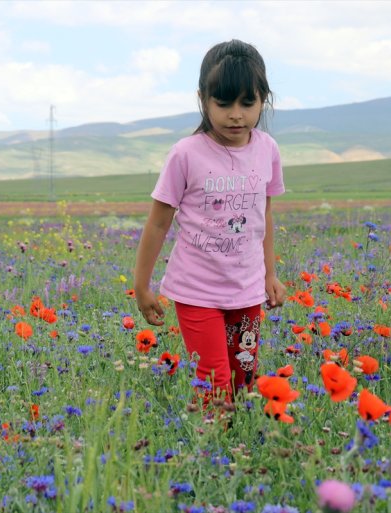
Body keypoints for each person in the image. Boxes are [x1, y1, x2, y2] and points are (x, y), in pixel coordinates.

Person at [134, 39, 287, 404]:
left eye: (247, 103)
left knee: (245, 379)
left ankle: (240, 453)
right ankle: (212, 454)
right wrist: (142, 286)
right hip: (197, 293)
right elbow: (158, 224)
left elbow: (262, 216)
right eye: (224, 103)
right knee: (216, 384)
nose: (236, 114)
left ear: (263, 99)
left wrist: (269, 274)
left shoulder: (267, 149)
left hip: (248, 290)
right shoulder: (186, 154)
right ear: (203, 98)